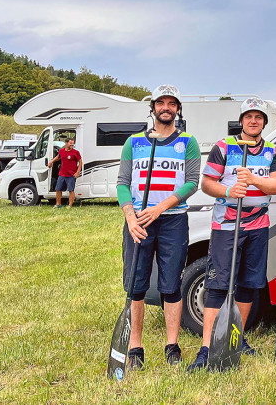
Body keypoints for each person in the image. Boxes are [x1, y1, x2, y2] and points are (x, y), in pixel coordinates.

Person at [188, 98, 276, 372]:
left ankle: (236, 338)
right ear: (241, 120)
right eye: (248, 117)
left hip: (257, 227)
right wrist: (230, 191)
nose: (253, 121)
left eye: (258, 117)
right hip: (227, 227)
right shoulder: (224, 147)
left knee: (248, 284)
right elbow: (207, 183)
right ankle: (207, 348)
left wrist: (254, 180)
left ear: (264, 122)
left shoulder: (272, 151)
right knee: (218, 286)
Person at [116, 85, 201, 369]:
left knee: (171, 285)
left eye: (171, 103)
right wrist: (130, 216)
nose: (166, 107)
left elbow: (192, 182)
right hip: (139, 222)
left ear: (178, 108)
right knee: (136, 286)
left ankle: (172, 345)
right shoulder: (135, 142)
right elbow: (122, 183)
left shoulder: (188, 141)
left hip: (172, 220)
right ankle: (135, 348)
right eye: (161, 103)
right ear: (153, 108)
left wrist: (160, 207)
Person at [47, 137, 82, 208]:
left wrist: (78, 172)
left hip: (71, 175)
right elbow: (58, 157)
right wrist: (51, 161)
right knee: (58, 189)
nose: (72, 145)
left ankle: (70, 205)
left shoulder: (76, 152)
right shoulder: (62, 151)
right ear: (66, 143)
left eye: (73, 144)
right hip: (62, 174)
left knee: (71, 190)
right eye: (70, 143)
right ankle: (58, 204)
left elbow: (80, 162)